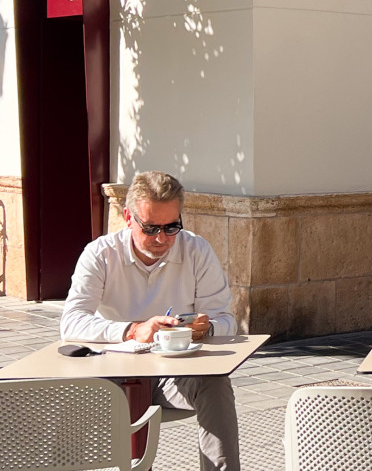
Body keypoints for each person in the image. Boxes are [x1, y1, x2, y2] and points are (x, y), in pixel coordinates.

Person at [60, 171, 240, 471]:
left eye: (172, 227)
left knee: (216, 385)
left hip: (173, 373)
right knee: (54, 396)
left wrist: (206, 328)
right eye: (151, 227)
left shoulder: (196, 250)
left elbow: (226, 321)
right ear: (128, 216)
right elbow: (72, 323)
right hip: (110, 375)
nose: (161, 238)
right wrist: (132, 330)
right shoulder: (100, 255)